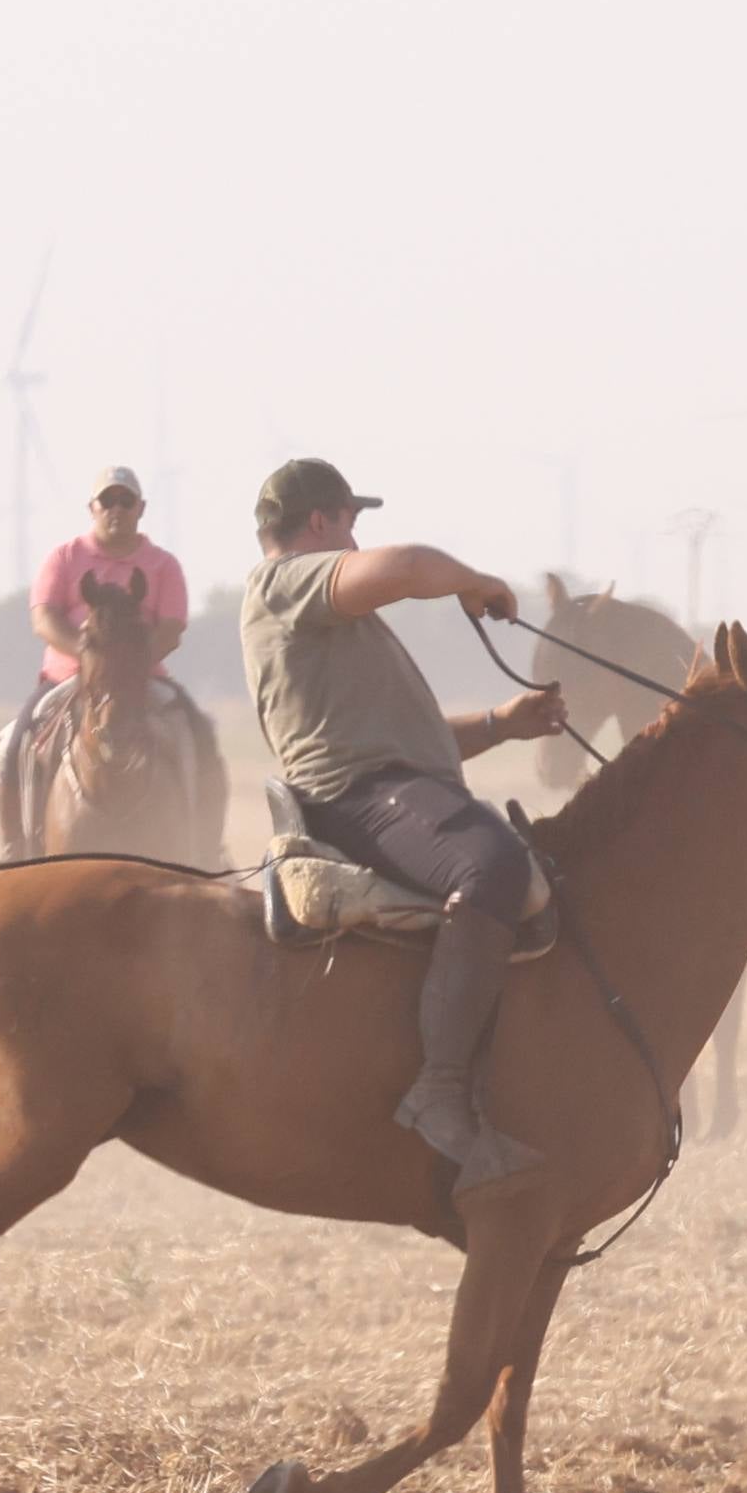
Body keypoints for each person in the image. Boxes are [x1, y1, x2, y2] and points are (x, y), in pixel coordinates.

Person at [239, 458, 571, 1202]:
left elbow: (408, 742)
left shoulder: (329, 626)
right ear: (319, 524)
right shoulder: (284, 582)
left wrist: (501, 725)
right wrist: (474, 581)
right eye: (349, 522)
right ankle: (440, 1090)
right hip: (359, 797)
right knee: (490, 869)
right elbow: (412, 565)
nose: (356, 538)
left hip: (386, 789)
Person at [0, 466, 228, 860]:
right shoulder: (65, 558)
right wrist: (90, 659)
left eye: (126, 501)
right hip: (67, 676)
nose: (116, 509)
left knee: (201, 736)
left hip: (144, 678)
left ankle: (206, 849)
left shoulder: (162, 565)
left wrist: (130, 666)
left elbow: (170, 628)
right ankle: (17, 850)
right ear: (92, 507)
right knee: (15, 746)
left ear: (141, 508)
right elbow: (44, 619)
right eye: (108, 501)